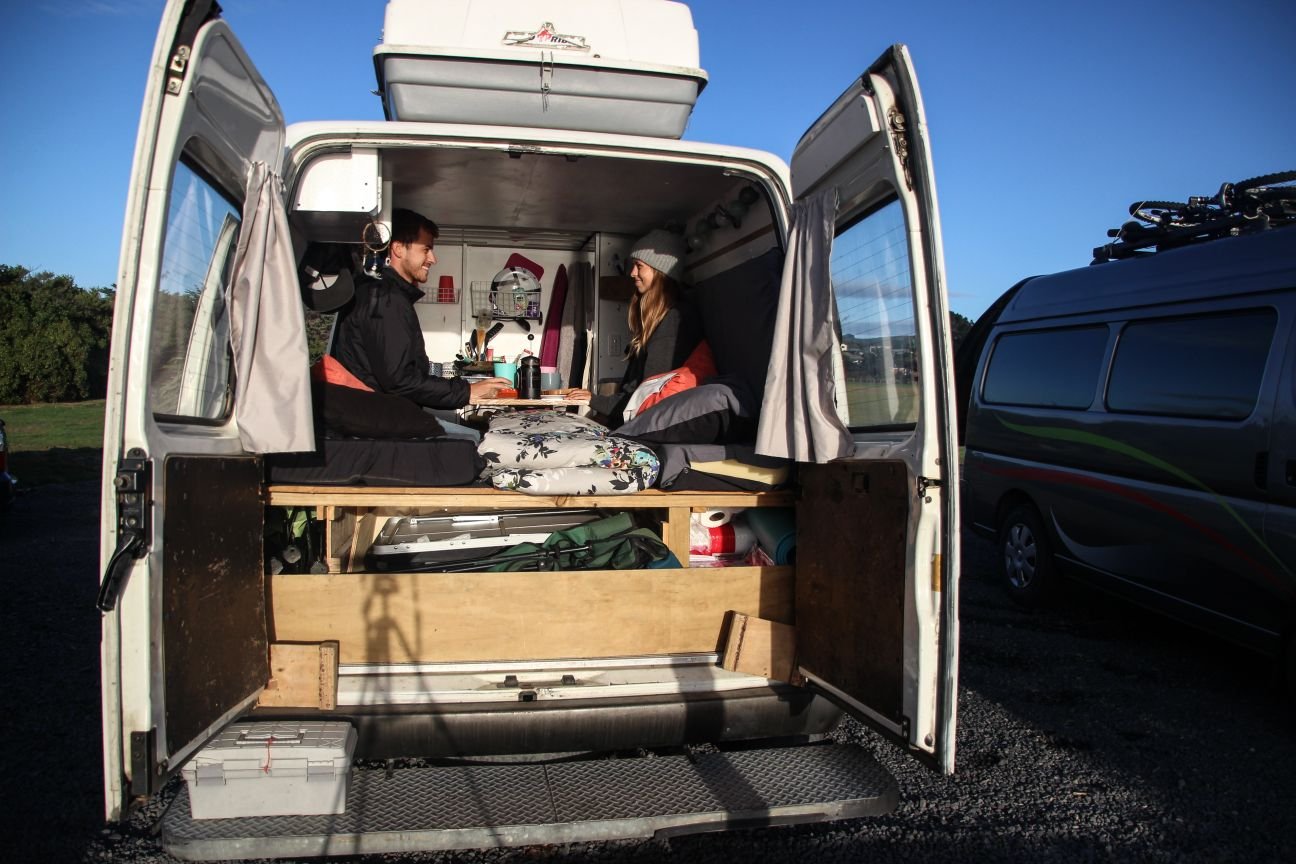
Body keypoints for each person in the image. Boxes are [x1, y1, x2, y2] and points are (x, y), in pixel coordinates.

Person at [330, 208, 509, 439]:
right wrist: (466, 391)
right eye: (426, 249)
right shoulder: (386, 299)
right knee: (478, 441)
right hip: (379, 426)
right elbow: (400, 380)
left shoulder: (383, 294)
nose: (432, 259)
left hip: (377, 417)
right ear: (398, 248)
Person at [583, 229, 701, 426]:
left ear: (660, 271)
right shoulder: (656, 318)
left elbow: (648, 396)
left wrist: (593, 400)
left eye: (639, 266)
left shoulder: (674, 320)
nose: (632, 273)